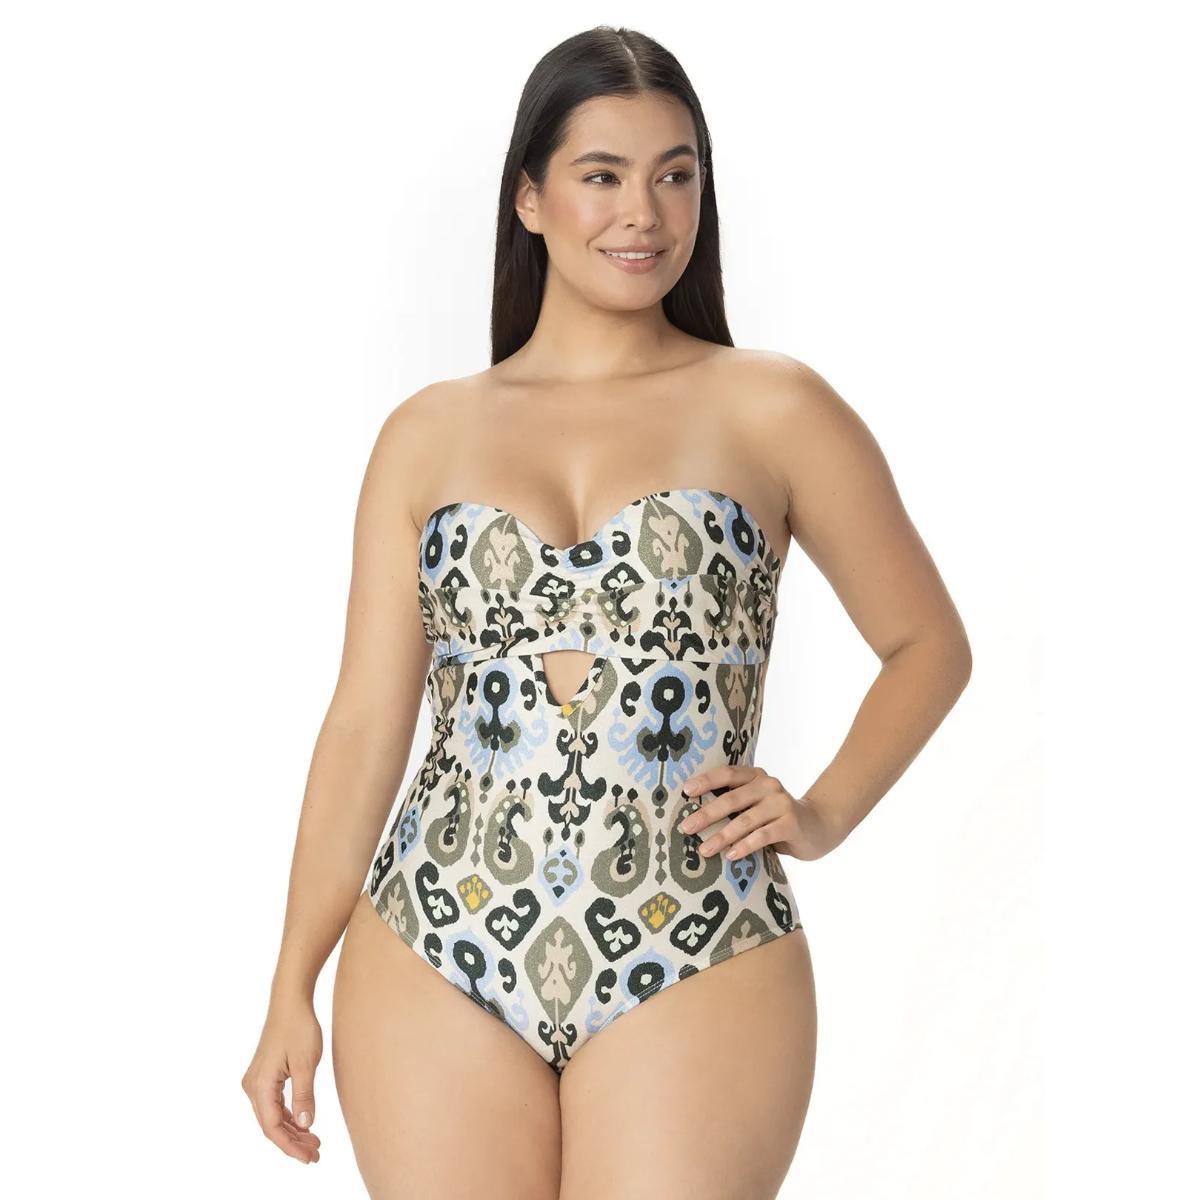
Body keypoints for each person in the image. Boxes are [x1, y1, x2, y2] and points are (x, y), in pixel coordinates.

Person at [241, 24, 971, 1199]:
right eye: (603, 175)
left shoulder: (773, 409)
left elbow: (927, 645)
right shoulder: (426, 434)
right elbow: (367, 722)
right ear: (529, 198)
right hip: (434, 934)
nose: (645, 213)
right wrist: (292, 979)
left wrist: (822, 812)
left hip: (698, 935)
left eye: (676, 175)